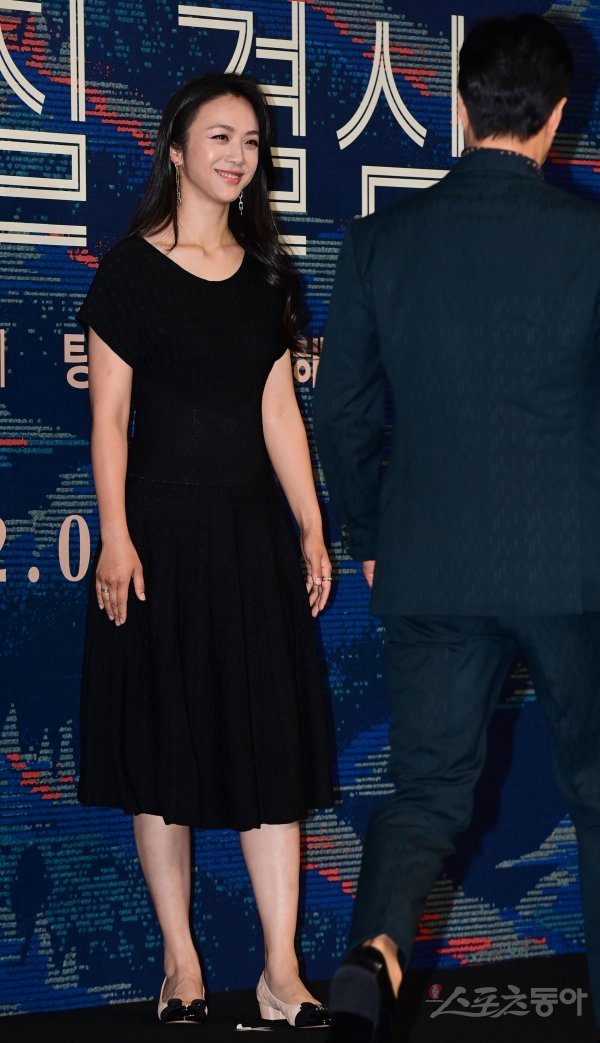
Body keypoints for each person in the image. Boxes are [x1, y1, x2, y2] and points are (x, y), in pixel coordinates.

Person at [314, 14, 600, 1042]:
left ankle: (377, 946)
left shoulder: (380, 241)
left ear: (456, 104)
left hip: (430, 559)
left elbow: (341, 414)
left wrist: (369, 532)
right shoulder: (590, 243)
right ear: (557, 117)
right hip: (576, 562)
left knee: (426, 791)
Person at [77, 72, 333, 1028]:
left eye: (252, 141)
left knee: (272, 750)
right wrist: (114, 535)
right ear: (176, 149)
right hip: (158, 543)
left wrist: (310, 523)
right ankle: (181, 965)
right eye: (219, 136)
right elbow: (109, 421)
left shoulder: (267, 276)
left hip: (252, 539)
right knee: (165, 751)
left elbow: (279, 410)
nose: (238, 156)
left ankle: (280, 971)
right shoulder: (129, 273)